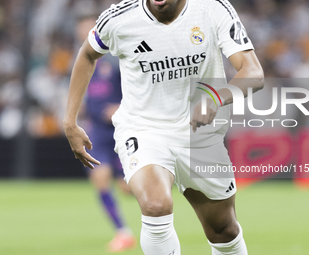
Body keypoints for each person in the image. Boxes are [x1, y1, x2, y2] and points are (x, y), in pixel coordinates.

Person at [64, 0, 264, 254]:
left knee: (223, 229)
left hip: (200, 134)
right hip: (144, 128)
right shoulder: (119, 18)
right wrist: (70, 121)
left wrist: (216, 97)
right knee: (155, 205)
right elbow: (87, 54)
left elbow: (253, 72)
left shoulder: (212, 9)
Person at [74, 10, 136, 253]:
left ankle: (157, 219)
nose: (86, 33)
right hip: (97, 130)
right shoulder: (81, 60)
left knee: (128, 188)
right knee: (99, 179)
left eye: (91, 28)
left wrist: (122, 108)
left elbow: (137, 90)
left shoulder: (117, 59)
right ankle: (123, 232)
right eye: (83, 29)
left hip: (122, 128)